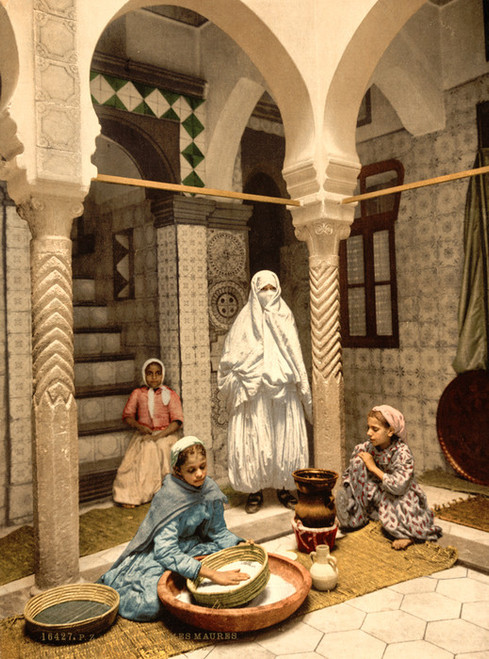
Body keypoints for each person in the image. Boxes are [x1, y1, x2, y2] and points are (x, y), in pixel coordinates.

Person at [99, 436, 249, 621]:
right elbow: (165, 551)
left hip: (194, 546)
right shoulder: (168, 498)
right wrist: (212, 574)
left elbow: (216, 531)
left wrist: (239, 544)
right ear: (178, 471)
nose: (200, 474)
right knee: (149, 605)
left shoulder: (208, 489)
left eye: (203, 466)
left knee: (237, 561)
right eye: (191, 470)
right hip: (162, 553)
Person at [218, 270, 312, 514]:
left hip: (283, 388)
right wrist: (246, 372)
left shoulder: (285, 315)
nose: (268, 294)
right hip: (255, 391)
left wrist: (296, 379)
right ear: (254, 291)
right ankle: (254, 491)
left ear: (278, 290)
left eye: (272, 289)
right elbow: (231, 356)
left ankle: (285, 488)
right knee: (256, 439)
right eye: (263, 289)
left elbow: (294, 352)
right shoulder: (243, 321)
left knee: (284, 439)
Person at [335, 404, 442, 550]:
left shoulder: (403, 453)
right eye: (368, 428)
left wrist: (372, 467)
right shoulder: (367, 447)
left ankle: (407, 535)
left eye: (375, 429)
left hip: (400, 496)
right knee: (358, 461)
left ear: (390, 431)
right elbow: (350, 474)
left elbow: (399, 487)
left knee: (397, 508)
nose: (368, 433)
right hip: (378, 493)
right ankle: (357, 515)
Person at [113, 358, 183, 508]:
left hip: (166, 434)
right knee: (147, 449)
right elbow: (128, 416)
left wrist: (160, 435)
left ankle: (167, 493)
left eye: (158, 373)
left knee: (164, 447)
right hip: (145, 434)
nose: (154, 377)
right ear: (144, 375)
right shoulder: (138, 394)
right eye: (150, 373)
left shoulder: (169, 394)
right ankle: (135, 494)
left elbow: (177, 421)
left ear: (162, 375)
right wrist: (139, 426)